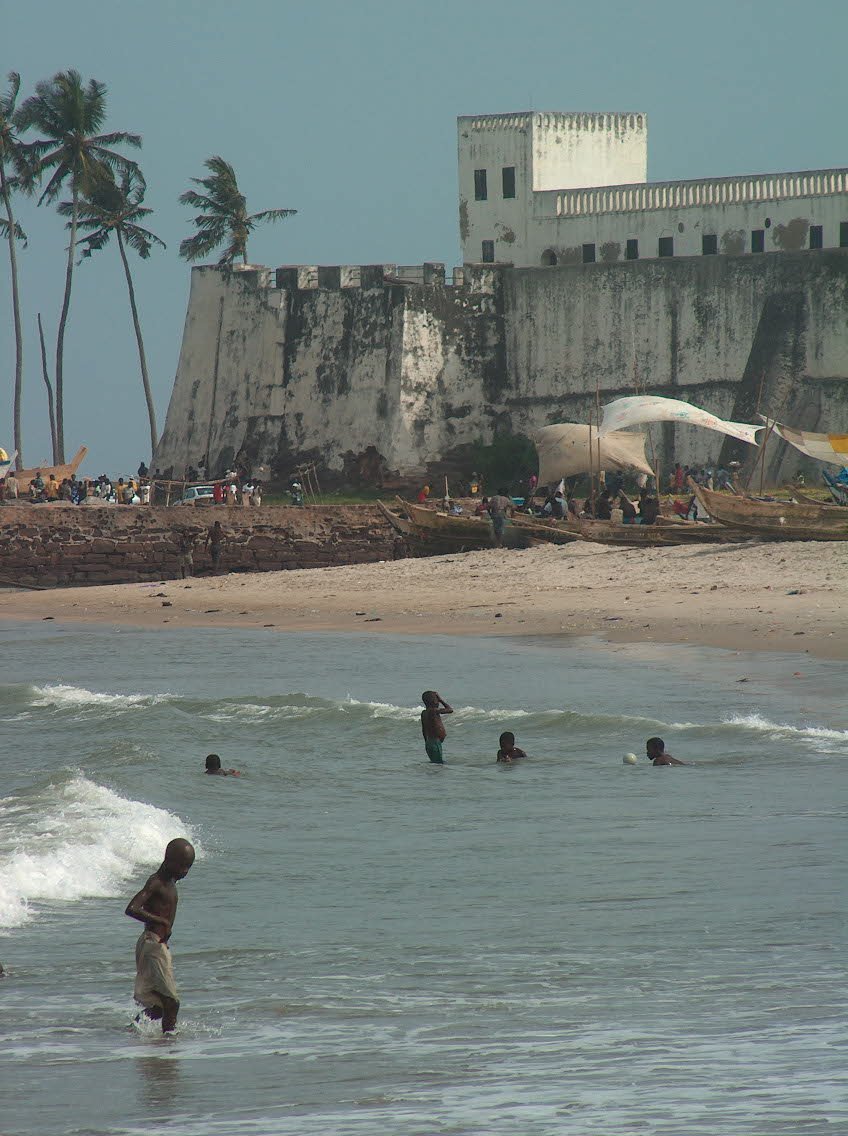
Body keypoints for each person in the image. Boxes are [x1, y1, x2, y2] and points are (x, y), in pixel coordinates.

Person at [124, 838, 195, 1033]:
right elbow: (132, 908)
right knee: (171, 1002)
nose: (185, 872)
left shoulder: (170, 881)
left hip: (157, 945)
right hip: (152, 945)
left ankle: (133, 1030)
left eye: (188, 867)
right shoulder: (157, 882)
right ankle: (170, 1043)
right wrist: (161, 922)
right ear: (169, 861)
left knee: (160, 1006)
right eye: (183, 867)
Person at [420, 690, 453, 764]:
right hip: (435, 743)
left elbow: (424, 730)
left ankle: (432, 774)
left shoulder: (424, 713)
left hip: (429, 743)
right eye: (437, 699)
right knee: (439, 764)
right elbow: (450, 710)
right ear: (434, 701)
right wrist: (441, 700)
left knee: (435, 763)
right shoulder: (434, 711)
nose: (438, 702)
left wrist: (426, 743)